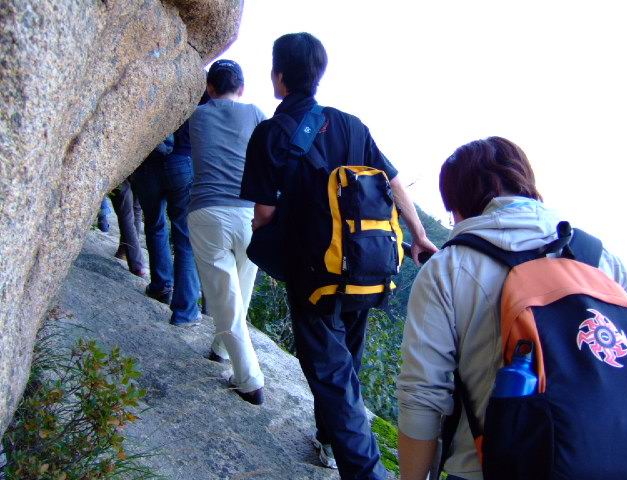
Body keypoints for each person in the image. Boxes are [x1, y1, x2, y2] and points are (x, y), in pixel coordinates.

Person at [240, 32, 438, 479]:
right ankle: (328, 439)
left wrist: (272, 247)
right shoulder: (351, 124)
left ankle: (366, 472)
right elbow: (393, 182)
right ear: (318, 74)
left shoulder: (270, 135)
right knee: (347, 360)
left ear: (279, 76)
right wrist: (420, 235)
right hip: (367, 266)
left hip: (315, 274)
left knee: (331, 374)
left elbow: (264, 216)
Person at [396, 136, 627, 480]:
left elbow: (421, 396)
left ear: (458, 204)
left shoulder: (447, 269)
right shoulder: (601, 259)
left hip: (486, 468)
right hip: (616, 461)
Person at [187, 60, 267, 405]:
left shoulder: (195, 116)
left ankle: (249, 381)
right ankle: (221, 349)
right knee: (240, 292)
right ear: (242, 88)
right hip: (250, 214)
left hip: (208, 212)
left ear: (209, 88)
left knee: (224, 296)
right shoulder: (256, 113)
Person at [131, 129, 201, 326]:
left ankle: (161, 286)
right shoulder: (200, 105)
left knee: (154, 225)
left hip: (147, 163)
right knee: (185, 239)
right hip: (181, 161)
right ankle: (185, 311)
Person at [110, 179, 145, 277]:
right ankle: (124, 251)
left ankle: (137, 264)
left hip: (120, 175)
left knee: (126, 212)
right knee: (136, 208)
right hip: (141, 174)